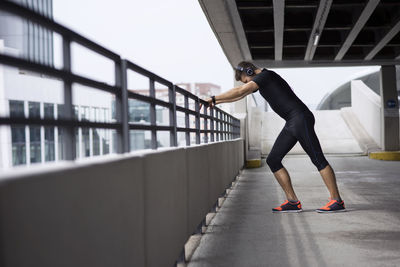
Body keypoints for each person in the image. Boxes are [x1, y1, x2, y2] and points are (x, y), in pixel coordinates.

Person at [203, 61, 345, 213]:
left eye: (246, 80)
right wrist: (215, 102)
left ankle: (336, 201)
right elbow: (241, 94)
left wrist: (214, 98)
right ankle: (292, 202)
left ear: (250, 72)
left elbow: (240, 91)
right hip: (292, 121)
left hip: (300, 118)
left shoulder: (266, 76)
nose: (247, 84)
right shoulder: (263, 79)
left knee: (317, 158)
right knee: (273, 160)